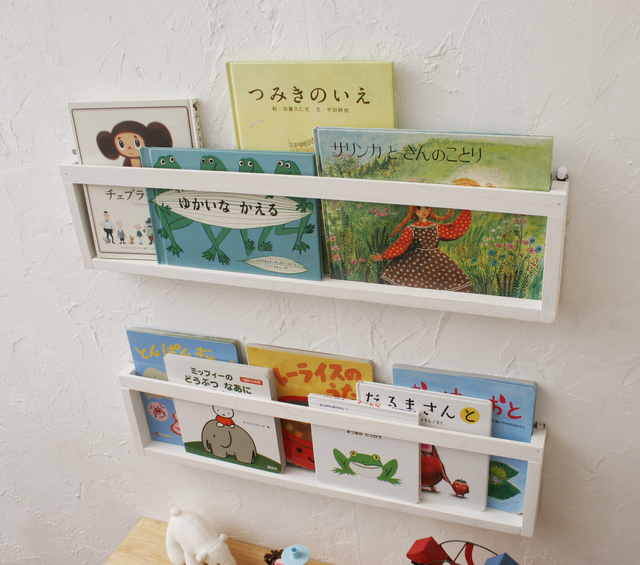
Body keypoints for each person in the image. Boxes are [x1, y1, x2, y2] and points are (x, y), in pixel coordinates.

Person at [372, 205, 473, 292]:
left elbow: (453, 231)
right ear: (414, 211)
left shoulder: (436, 227)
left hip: (436, 259)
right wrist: (384, 256)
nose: (423, 211)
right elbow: (401, 245)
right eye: (419, 208)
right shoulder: (411, 229)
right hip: (414, 260)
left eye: (427, 207)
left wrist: (467, 210)